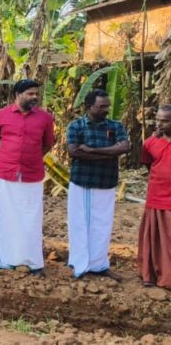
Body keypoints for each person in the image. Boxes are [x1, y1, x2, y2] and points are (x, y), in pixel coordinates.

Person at [0, 79, 55, 272]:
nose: (34, 97)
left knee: (31, 218)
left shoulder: (45, 118)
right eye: (30, 94)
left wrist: (31, 158)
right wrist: (3, 159)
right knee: (3, 216)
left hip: (32, 175)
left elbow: (48, 144)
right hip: (5, 174)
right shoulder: (0, 116)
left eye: (36, 94)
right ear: (17, 94)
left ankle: (29, 259)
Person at [66, 89, 129, 278]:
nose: (106, 109)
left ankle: (99, 265)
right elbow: (74, 152)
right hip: (83, 182)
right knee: (80, 224)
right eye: (102, 106)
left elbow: (124, 147)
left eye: (107, 106)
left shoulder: (115, 126)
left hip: (106, 181)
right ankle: (80, 265)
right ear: (89, 106)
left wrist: (91, 150)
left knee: (103, 225)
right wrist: (110, 152)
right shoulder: (76, 126)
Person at [140, 105, 171, 289]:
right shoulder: (149, 143)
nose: (159, 123)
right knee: (156, 237)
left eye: (164, 121)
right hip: (156, 194)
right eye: (158, 119)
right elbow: (148, 165)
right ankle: (151, 274)